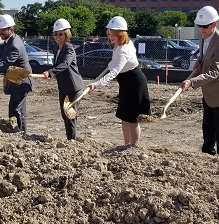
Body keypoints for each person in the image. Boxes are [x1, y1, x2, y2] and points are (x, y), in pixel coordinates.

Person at [180, 6, 219, 158]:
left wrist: (191, 82)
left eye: (205, 26)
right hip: (209, 92)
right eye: (199, 25)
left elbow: (213, 71)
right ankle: (206, 158)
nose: (202, 29)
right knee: (208, 129)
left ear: (214, 24)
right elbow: (205, 57)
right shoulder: (203, 37)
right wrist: (199, 61)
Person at [87, 16, 150, 147]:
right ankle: (126, 144)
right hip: (126, 83)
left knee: (131, 118)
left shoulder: (123, 50)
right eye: (109, 34)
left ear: (121, 34)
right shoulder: (119, 46)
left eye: (114, 34)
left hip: (134, 83)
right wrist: (110, 65)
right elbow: (114, 65)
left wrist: (96, 84)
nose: (111, 37)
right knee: (124, 117)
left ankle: (133, 146)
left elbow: (114, 72)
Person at [42, 18, 84, 140]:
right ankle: (69, 139)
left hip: (73, 87)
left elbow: (65, 64)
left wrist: (50, 73)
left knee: (69, 115)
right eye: (56, 34)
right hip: (63, 87)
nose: (58, 36)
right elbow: (57, 65)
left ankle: (71, 141)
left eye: (61, 34)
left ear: (67, 34)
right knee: (64, 115)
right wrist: (52, 73)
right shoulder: (56, 48)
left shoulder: (68, 48)